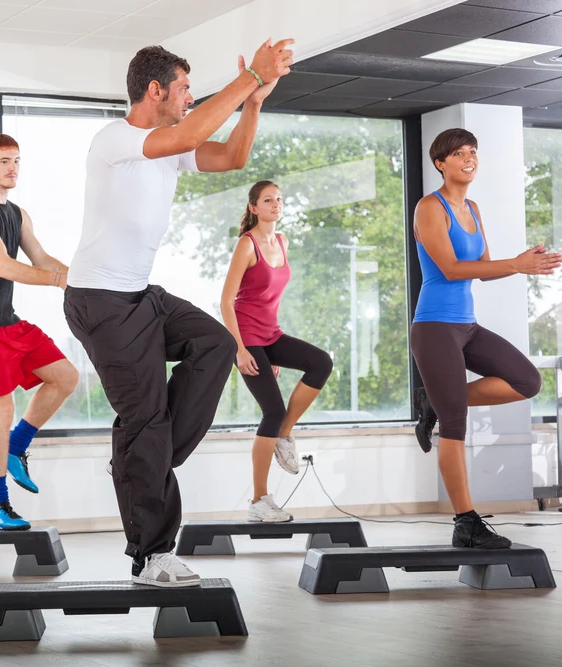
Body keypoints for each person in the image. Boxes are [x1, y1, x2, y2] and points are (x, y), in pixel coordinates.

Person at [64, 40, 293, 587]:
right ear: (155, 90)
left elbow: (232, 157)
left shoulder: (170, 144)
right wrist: (249, 75)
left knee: (215, 345)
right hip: (99, 301)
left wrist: (255, 101)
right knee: (145, 420)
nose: (191, 98)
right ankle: (151, 556)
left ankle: (141, 458)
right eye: (186, 88)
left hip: (142, 295)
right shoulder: (116, 139)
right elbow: (188, 135)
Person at [412, 128, 562, 548]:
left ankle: (433, 403)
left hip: (467, 325)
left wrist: (521, 264)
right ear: (441, 163)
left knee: (526, 381)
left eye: (473, 151)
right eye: (458, 153)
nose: (468, 158)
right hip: (435, 327)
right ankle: (465, 523)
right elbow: (450, 269)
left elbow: (480, 266)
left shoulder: (473, 208)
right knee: (455, 426)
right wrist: (514, 264)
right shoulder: (430, 207)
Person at [0, 133, 79, 531]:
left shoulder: (18, 214)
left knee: (65, 377)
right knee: (1, 408)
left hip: (8, 321)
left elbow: (40, 257)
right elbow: (5, 266)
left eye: (17, 161)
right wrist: (59, 281)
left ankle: (17, 446)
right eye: (5, 161)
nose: (13, 169)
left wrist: (81, 279)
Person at [220, 180, 333, 523]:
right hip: (247, 338)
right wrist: (240, 350)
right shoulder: (247, 244)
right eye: (268, 200)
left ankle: (285, 432)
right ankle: (259, 500)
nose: (276, 204)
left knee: (320, 363)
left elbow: (269, 298)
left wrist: (273, 354)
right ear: (253, 207)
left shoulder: (281, 242)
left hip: (270, 335)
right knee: (271, 410)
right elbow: (226, 301)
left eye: (279, 199)